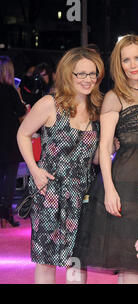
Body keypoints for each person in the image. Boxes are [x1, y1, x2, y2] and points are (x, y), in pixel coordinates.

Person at [73, 35, 138, 284]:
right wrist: (109, 189)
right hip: (125, 185)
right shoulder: (114, 96)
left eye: (137, 58)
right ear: (119, 64)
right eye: (126, 60)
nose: (132, 65)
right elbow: (104, 146)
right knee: (130, 262)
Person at [16, 47, 104, 283]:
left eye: (92, 74)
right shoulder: (49, 104)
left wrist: (111, 145)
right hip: (50, 191)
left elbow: (94, 158)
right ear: (68, 74)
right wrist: (34, 171)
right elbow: (23, 134)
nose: (87, 80)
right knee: (46, 260)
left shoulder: (97, 110)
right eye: (81, 74)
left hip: (84, 193)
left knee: (78, 260)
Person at [0, 56, 27, 228]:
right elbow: (22, 111)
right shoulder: (10, 91)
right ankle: (6, 214)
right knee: (9, 179)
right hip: (9, 140)